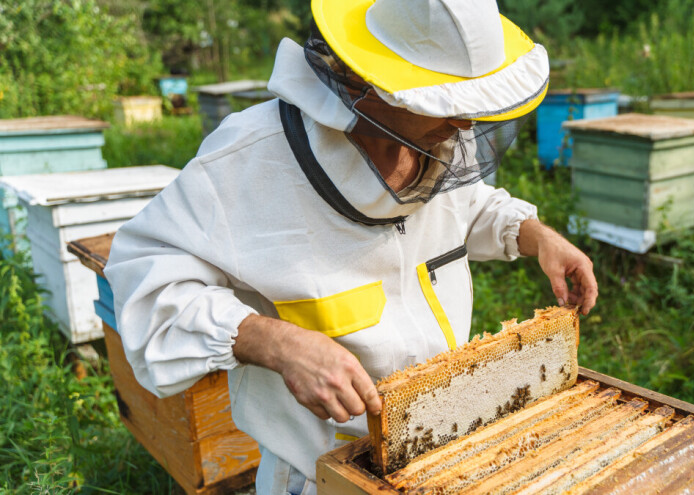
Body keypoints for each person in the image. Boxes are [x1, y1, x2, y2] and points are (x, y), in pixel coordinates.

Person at [104, 0, 598, 493]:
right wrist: (272, 342)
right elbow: (145, 281)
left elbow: (467, 206)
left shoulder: (438, 135)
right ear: (370, 85)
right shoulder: (246, 162)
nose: (466, 125)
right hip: (319, 475)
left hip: (446, 451)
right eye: (446, 104)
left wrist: (537, 237)